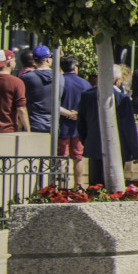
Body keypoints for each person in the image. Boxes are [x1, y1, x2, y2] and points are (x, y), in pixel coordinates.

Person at [76, 64, 138, 187]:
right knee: (114, 186)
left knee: (95, 185)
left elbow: (81, 123)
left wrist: (87, 140)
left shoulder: (87, 95)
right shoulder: (122, 99)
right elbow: (129, 128)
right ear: (117, 80)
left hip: (94, 146)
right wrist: (135, 151)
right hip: (117, 148)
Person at [57, 55, 91, 188]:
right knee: (78, 157)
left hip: (62, 126)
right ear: (75, 67)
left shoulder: (59, 82)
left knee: (61, 157)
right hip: (78, 127)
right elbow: (89, 105)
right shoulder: (85, 84)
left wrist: (68, 113)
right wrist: (77, 114)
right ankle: (78, 185)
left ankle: (60, 186)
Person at [0, 49, 28, 133]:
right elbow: (21, 108)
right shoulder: (16, 82)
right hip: (7, 132)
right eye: (14, 61)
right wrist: (27, 130)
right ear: (10, 62)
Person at [21, 45, 55, 133]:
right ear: (48, 59)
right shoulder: (59, 78)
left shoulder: (26, 78)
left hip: (33, 124)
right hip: (54, 125)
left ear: (34, 61)